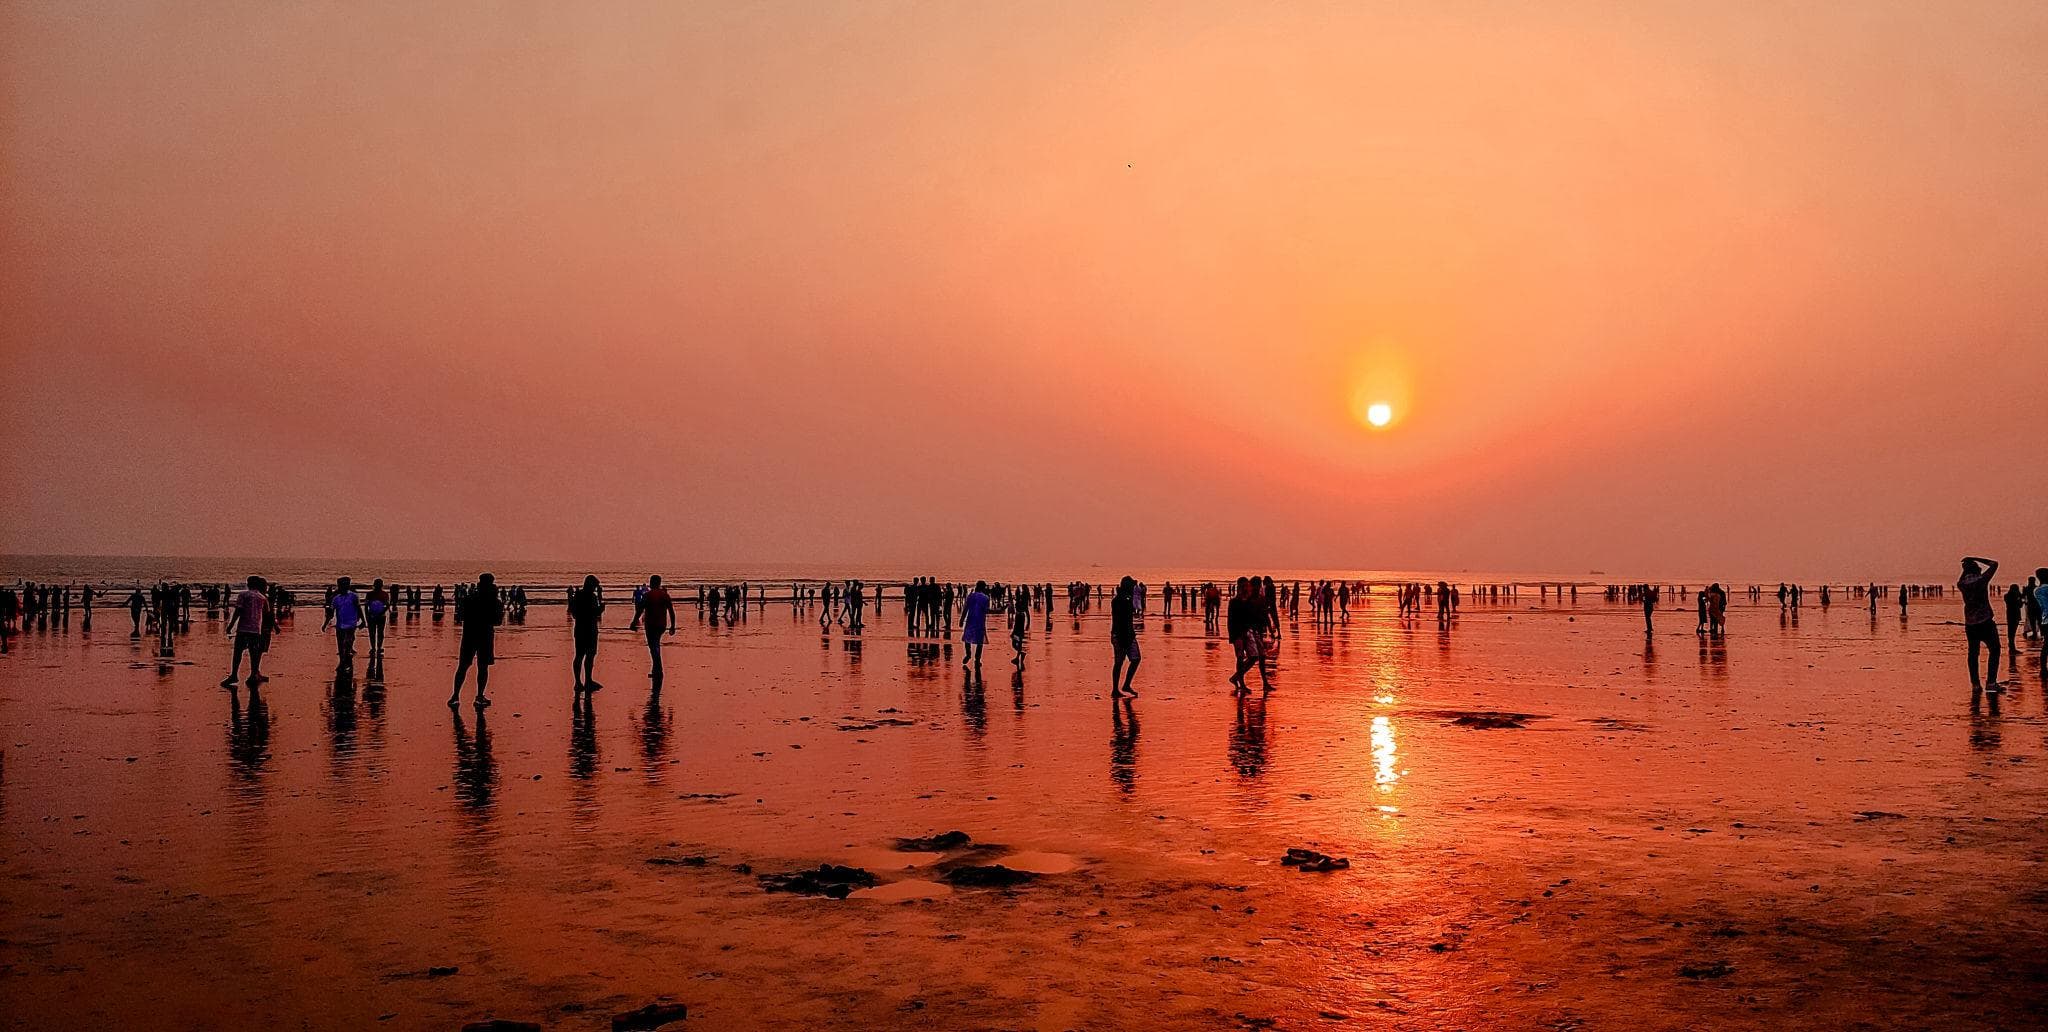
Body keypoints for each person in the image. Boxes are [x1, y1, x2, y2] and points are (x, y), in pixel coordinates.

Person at [450, 573, 503, 708]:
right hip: (485, 635)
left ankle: (455, 695)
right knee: (483, 667)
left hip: (469, 635)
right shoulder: (495, 601)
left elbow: (460, 616)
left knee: (462, 666)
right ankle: (479, 696)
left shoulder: (470, 598)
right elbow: (497, 621)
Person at [1957, 556, 2000, 693]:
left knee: (1973, 654)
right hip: (1985, 620)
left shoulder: (1962, 584)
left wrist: (1966, 567)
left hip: (1970, 623)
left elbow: (1962, 576)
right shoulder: (1981, 580)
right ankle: (1991, 682)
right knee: (1994, 650)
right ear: (1977, 570)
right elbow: (1994, 563)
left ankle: (1975, 684)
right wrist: (1974, 557)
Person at [221, 575, 270, 688]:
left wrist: (230, 625)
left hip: (243, 628)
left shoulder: (243, 595)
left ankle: (234, 675)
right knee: (254, 653)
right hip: (255, 629)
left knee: (238, 653)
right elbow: (267, 612)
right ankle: (253, 674)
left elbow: (238, 611)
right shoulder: (262, 597)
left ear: (249, 584)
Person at [568, 574, 605, 694]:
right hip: (590, 629)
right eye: (594, 586)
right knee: (589, 655)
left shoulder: (577, 595)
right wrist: (601, 606)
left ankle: (578, 682)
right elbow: (595, 613)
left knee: (579, 655)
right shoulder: (592, 597)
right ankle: (587, 680)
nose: (595, 588)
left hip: (579, 628)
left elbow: (573, 612)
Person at [638, 575, 675, 682]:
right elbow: (671, 611)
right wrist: (673, 625)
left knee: (653, 647)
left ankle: (658, 670)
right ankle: (656, 670)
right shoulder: (665, 595)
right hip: (661, 625)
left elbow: (640, 609)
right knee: (656, 645)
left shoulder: (647, 595)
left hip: (650, 625)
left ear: (651, 582)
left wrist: (634, 621)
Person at [323, 576, 364, 668]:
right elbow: (331, 613)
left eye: (345, 585)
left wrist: (363, 621)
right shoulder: (336, 598)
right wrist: (325, 624)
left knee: (348, 641)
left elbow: (359, 608)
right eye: (340, 585)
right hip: (340, 624)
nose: (342, 587)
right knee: (340, 643)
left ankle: (347, 657)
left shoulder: (353, 596)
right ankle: (342, 661)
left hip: (351, 623)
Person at [1110, 576, 1140, 697]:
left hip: (1126, 634)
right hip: (1121, 635)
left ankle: (1124, 685)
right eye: (1132, 586)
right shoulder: (1120, 600)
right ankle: (1117, 688)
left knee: (1134, 659)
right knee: (1119, 662)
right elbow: (1121, 620)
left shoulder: (1124, 598)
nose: (1133, 588)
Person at [961, 581, 990, 669]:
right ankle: (977, 659)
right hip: (980, 620)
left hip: (970, 619)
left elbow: (965, 608)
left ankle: (968, 654)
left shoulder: (971, 596)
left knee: (967, 637)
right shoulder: (985, 597)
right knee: (980, 641)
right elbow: (986, 610)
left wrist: (962, 619)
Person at [365, 578, 391, 656]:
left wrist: (381, 612)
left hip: (380, 616)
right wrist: (367, 616)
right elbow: (366, 606)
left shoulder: (384, 594)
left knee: (379, 633)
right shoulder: (370, 594)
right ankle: (374, 648)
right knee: (373, 633)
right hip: (373, 615)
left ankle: (378, 647)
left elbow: (387, 605)